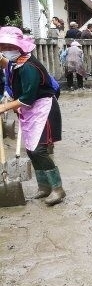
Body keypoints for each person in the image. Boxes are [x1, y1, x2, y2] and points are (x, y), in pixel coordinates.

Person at [0, 27, 65, 205]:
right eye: (2, 46)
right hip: (29, 110)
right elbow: (7, 64)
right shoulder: (18, 61)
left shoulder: (29, 67)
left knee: (40, 150)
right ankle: (44, 186)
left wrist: (4, 107)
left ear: (18, 46)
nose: (4, 49)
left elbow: (27, 98)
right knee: (30, 150)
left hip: (43, 109)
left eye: (7, 45)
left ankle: (58, 189)